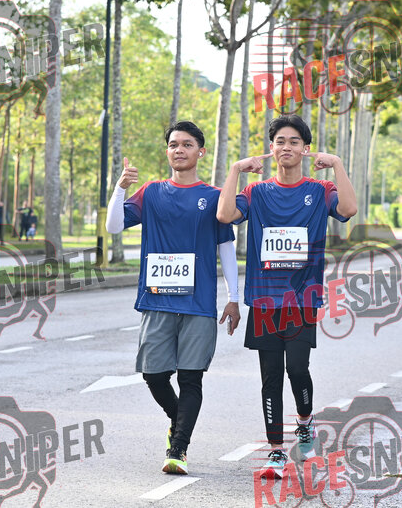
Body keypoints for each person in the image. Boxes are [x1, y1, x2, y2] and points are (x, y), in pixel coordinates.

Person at [216, 114, 357, 479]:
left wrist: (337, 164)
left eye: (294, 141)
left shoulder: (320, 190)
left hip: (302, 298)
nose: (286, 147)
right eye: (280, 141)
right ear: (272, 148)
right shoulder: (257, 192)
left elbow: (348, 210)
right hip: (264, 299)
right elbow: (225, 214)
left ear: (305, 149)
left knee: (296, 368)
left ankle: (306, 422)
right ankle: (276, 452)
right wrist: (235, 170)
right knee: (270, 378)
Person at [105, 121, 240, 475]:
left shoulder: (214, 197)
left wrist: (234, 297)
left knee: (191, 378)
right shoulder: (151, 192)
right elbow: (114, 226)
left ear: (201, 152)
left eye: (187, 144)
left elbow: (226, 247)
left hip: (199, 303)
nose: (179, 150)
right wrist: (120, 188)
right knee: (153, 375)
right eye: (173, 144)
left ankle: (178, 448)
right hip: (156, 300)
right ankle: (178, 420)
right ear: (167, 151)